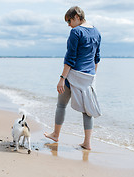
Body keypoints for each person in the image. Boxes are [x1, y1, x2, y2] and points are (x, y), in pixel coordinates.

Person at [44, 6, 101, 150]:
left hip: (74, 75)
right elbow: (97, 58)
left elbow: (70, 58)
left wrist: (62, 78)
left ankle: (55, 134)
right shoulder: (96, 31)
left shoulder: (76, 32)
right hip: (89, 76)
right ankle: (87, 143)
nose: (68, 25)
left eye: (69, 21)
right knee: (87, 110)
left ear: (76, 16)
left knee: (61, 104)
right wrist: (92, 77)